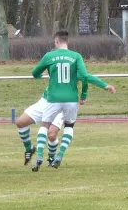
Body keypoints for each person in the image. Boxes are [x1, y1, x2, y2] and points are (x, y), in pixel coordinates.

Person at [15, 30, 116, 172]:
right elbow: (85, 76)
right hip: (49, 99)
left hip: (56, 100)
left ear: (56, 41)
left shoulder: (53, 56)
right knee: (20, 122)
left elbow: (35, 73)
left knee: (51, 133)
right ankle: (30, 149)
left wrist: (104, 85)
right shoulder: (74, 57)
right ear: (68, 41)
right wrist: (87, 93)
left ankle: (50, 158)